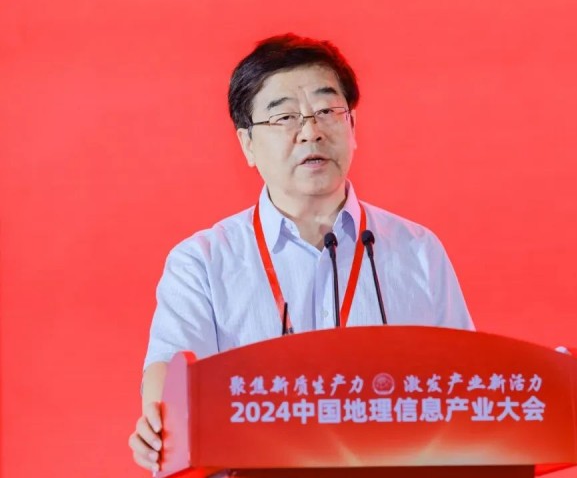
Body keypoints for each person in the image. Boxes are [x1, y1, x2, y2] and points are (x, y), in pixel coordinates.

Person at [128, 33, 474, 473]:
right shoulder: (202, 262)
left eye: (327, 111)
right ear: (247, 144)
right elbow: (170, 375)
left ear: (352, 126)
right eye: (285, 117)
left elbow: (465, 385)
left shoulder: (417, 250)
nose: (311, 131)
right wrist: (161, 422)